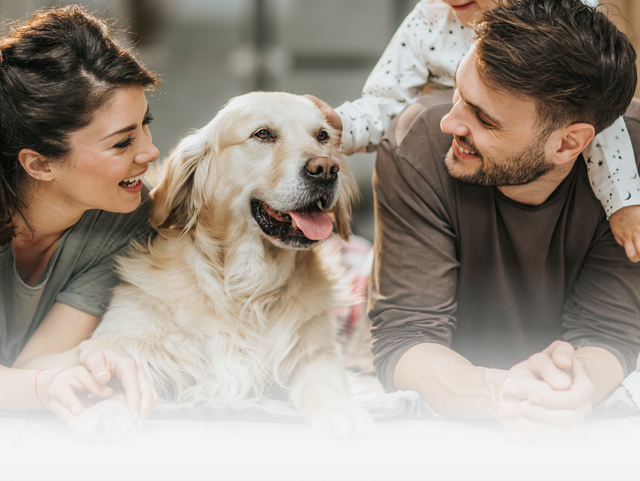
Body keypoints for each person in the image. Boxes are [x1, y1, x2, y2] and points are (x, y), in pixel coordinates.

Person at [368, 0, 640, 441]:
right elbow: (404, 340)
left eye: (483, 118)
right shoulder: (415, 143)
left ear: (569, 144)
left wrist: (575, 387)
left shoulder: (634, 169)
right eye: (459, 94)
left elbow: (609, 332)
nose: (449, 123)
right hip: (454, 420)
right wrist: (500, 393)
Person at [307, 0, 640, 264]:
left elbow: (597, 120)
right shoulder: (429, 19)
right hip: (457, 184)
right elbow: (385, 101)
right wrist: (343, 125)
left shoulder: (562, 21)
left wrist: (624, 202)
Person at [0, 5, 160, 429]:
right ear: (39, 164)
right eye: (123, 142)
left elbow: (32, 362)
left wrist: (88, 357)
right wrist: (42, 388)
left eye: (146, 125)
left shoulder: (126, 220)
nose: (150, 152)